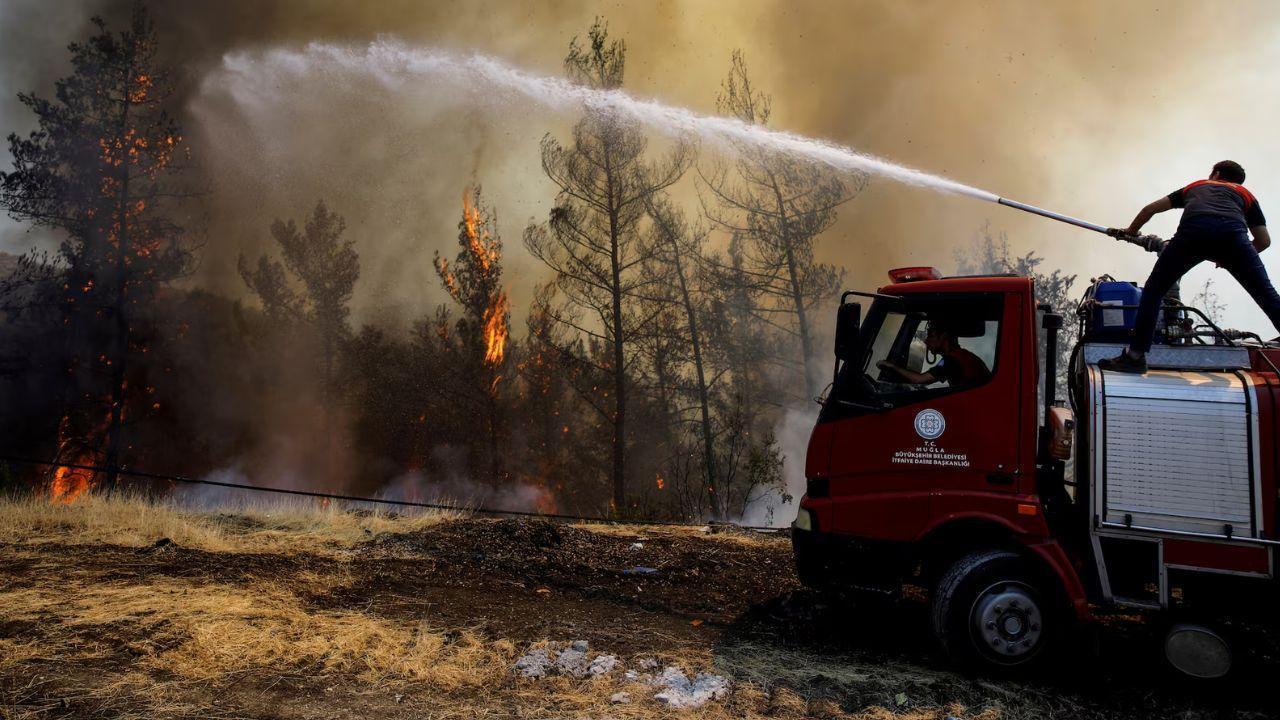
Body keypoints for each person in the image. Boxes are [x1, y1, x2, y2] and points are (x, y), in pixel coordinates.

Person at [1100, 160, 1280, 373]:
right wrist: (1231, 257)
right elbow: (1263, 240)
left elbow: (1150, 209)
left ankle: (1136, 356)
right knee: (1266, 294)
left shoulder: (1197, 186)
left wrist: (1131, 231)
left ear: (1216, 173)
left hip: (1192, 236)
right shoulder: (1245, 195)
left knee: (1154, 291)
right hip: (1233, 240)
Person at [877, 321, 991, 387]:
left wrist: (892, 366)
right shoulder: (963, 356)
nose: (926, 340)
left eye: (931, 335)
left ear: (943, 337)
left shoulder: (952, 361)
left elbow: (919, 380)